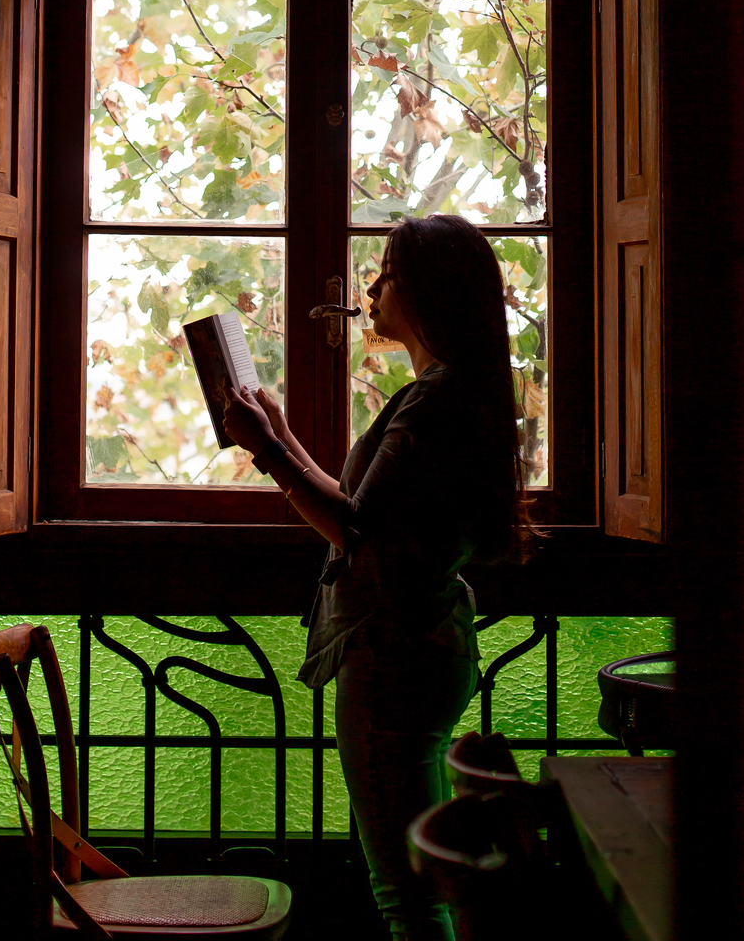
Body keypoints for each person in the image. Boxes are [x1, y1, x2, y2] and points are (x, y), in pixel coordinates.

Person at [224, 212, 531, 941]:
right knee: (418, 879)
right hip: (424, 643)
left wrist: (268, 451)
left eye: (387, 273)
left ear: (424, 289)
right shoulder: (452, 393)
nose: (371, 286)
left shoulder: (435, 400)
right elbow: (368, 511)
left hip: (394, 652)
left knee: (405, 891)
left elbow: (355, 529)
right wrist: (283, 433)